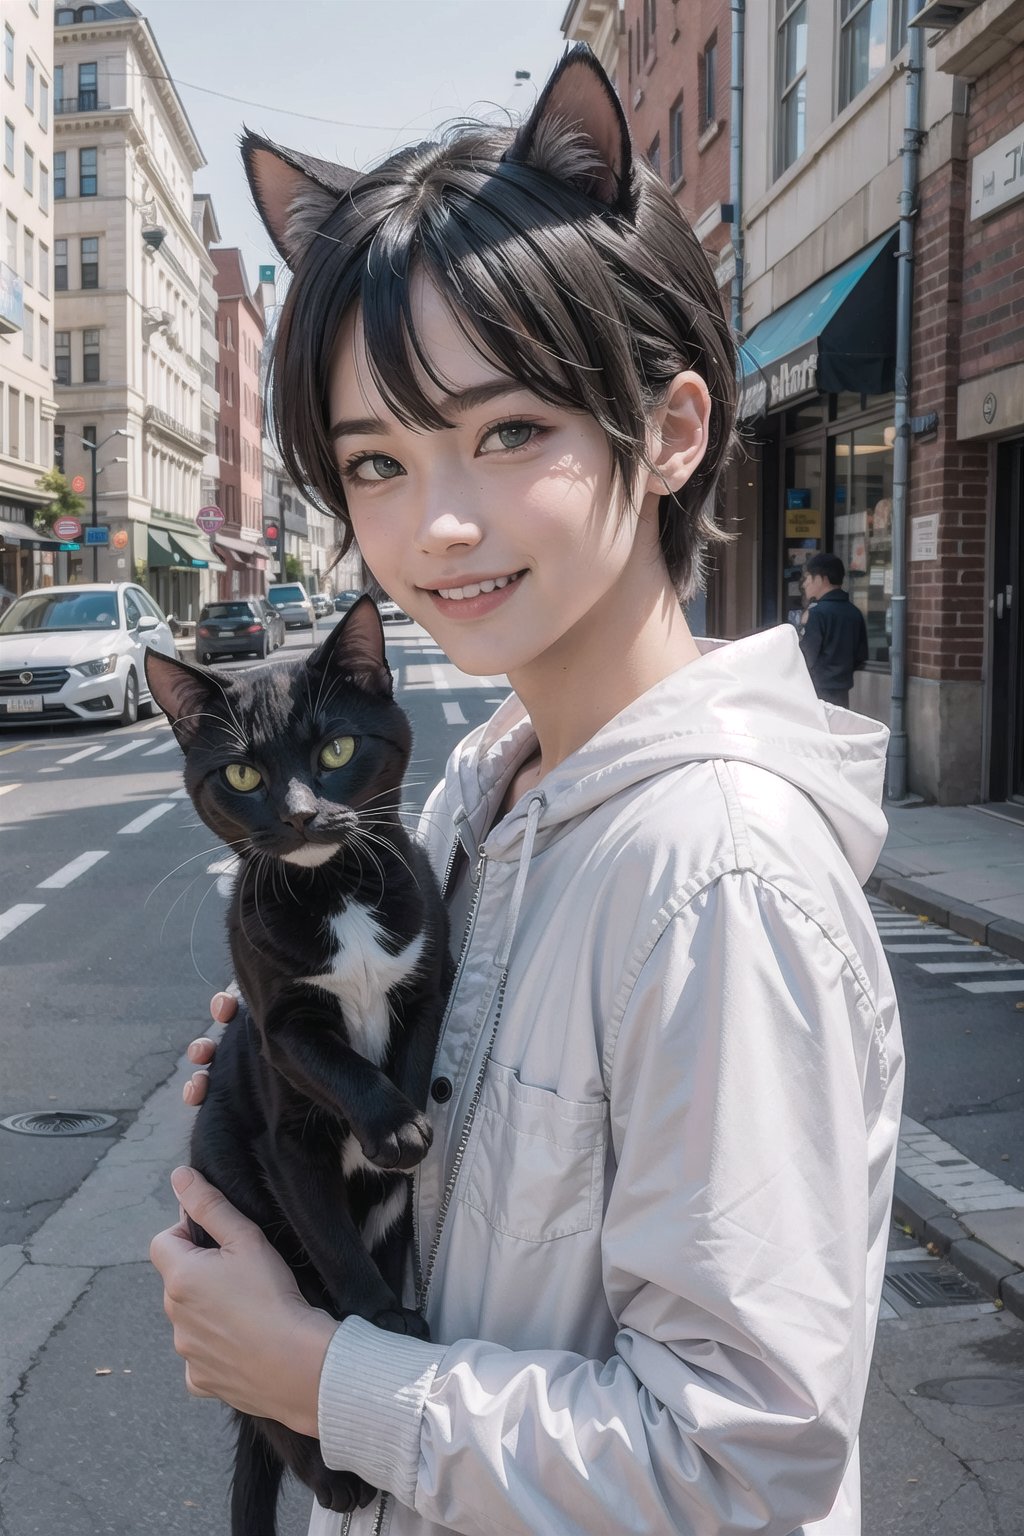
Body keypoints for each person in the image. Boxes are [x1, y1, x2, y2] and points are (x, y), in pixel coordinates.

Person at [150, 46, 903, 1536]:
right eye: (376, 458)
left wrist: (321, 1375)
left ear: (672, 431)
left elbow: (741, 1468)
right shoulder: (476, 809)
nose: (435, 521)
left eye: (510, 433)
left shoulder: (716, 872)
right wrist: (322, 1077)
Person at [798, 553, 869, 708]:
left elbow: (806, 656)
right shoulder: (854, 612)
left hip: (815, 690)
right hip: (842, 692)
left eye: (808, 577)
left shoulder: (816, 613)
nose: (804, 584)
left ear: (821, 578)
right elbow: (861, 656)